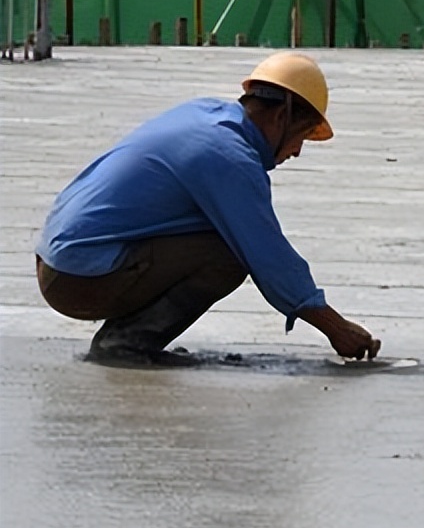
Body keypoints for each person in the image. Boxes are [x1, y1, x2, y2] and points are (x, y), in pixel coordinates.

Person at [35, 51, 381, 364]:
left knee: (225, 235)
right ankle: (128, 342)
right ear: (281, 115)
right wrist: (336, 328)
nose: (297, 152)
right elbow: (269, 256)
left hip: (62, 260)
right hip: (77, 277)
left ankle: (128, 334)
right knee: (229, 254)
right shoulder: (228, 155)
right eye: (301, 136)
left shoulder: (204, 115)